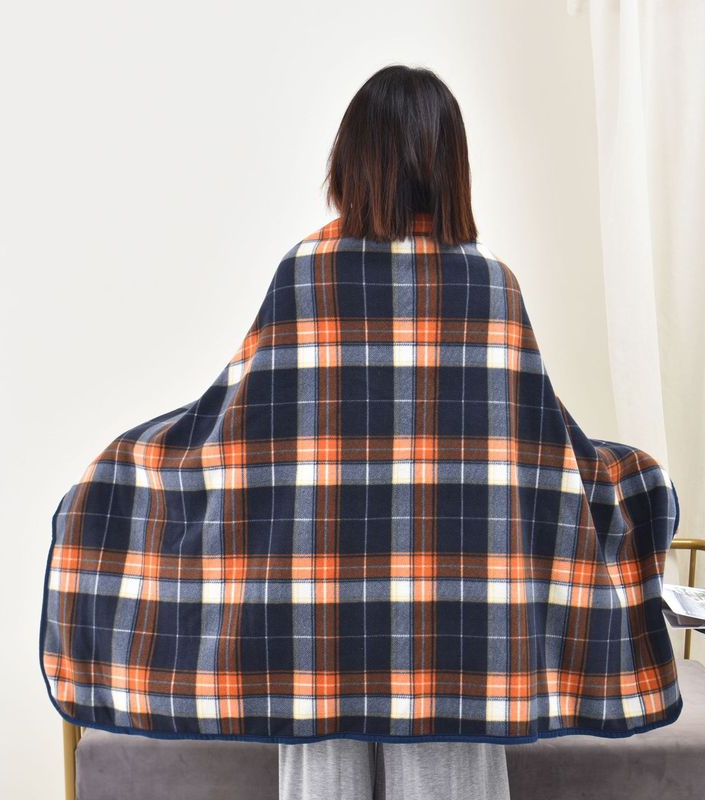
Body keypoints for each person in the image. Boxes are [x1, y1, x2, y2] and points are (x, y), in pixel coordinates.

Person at [277, 63, 512, 800]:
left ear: (352, 159)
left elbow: (241, 435)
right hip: (453, 614)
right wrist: (635, 486)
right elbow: (535, 449)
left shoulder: (305, 275)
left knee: (322, 777)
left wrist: (124, 479)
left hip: (320, 609)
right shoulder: (489, 284)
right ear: (451, 166)